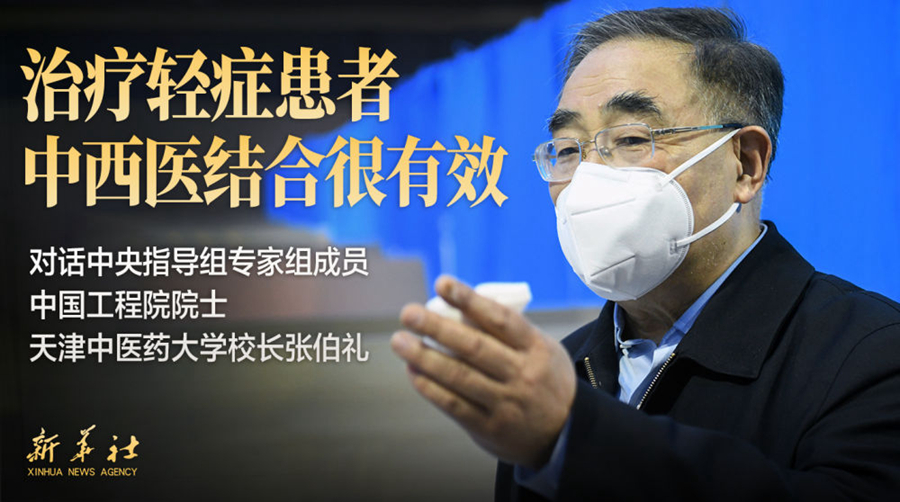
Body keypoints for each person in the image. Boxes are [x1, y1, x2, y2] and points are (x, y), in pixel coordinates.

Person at [390, 7, 900, 501]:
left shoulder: (871, 354)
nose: (586, 178)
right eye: (567, 149)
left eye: (632, 138)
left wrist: (572, 435)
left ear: (746, 164)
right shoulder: (560, 370)